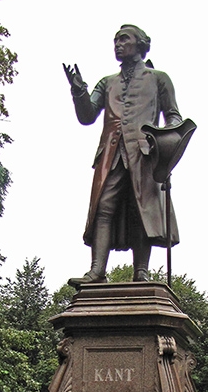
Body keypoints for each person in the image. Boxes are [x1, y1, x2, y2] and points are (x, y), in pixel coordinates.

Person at [64, 24, 184, 285]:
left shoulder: (158, 78)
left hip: (144, 154)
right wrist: (78, 91)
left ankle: (141, 272)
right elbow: (87, 116)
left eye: (123, 39)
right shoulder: (107, 83)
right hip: (111, 154)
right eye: (115, 41)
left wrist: (165, 142)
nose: (117, 45)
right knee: (103, 208)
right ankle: (97, 271)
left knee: (140, 210)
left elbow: (174, 116)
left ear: (140, 44)